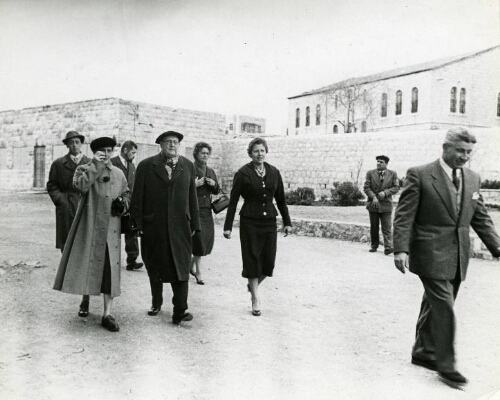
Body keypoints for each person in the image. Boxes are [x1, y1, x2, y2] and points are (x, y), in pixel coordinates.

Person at [393, 127, 500, 385]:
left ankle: (423, 352)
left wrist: (497, 247)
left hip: (458, 255)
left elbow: (480, 217)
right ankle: (446, 365)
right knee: (444, 307)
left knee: (434, 304)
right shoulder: (420, 174)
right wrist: (400, 249)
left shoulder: (473, 178)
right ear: (446, 147)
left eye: (468, 152)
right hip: (429, 252)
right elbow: (404, 215)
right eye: (460, 151)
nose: (464, 156)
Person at [53, 137, 130, 332]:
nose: (106, 153)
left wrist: (123, 202)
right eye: (101, 150)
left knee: (109, 270)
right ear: (94, 152)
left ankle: (107, 313)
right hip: (90, 225)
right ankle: (84, 300)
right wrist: (95, 164)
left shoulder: (119, 173)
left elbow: (127, 193)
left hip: (110, 228)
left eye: (109, 150)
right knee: (86, 262)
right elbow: (80, 186)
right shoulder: (84, 169)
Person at [130, 131, 200, 325]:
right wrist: (138, 225)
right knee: (155, 264)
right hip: (155, 226)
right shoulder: (146, 166)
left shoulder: (187, 165)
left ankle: (180, 310)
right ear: (159, 144)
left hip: (181, 226)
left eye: (175, 142)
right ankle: (156, 302)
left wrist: (195, 224)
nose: (172, 145)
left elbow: (191, 197)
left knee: (182, 265)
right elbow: (137, 198)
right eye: (168, 142)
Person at [223, 137, 292, 316]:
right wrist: (228, 226)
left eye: (262, 150)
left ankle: (252, 285)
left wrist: (287, 222)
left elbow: (281, 199)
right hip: (249, 221)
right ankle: (255, 298)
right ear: (250, 153)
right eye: (256, 151)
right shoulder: (242, 173)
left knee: (268, 262)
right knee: (252, 258)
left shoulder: (274, 172)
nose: (259, 154)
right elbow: (233, 201)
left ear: (266, 152)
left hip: (269, 220)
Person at [47, 130, 92, 317]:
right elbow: (52, 185)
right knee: (67, 249)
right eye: (71, 142)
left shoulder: (90, 163)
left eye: (77, 142)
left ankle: (85, 299)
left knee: (85, 252)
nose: (74, 145)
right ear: (66, 145)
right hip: (66, 211)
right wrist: (61, 201)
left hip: (84, 208)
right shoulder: (58, 164)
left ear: (81, 144)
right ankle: (69, 282)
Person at [110, 140, 143, 271]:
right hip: (115, 204)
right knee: (114, 232)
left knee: (132, 231)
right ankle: (112, 260)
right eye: (132, 152)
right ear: (125, 150)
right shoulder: (112, 163)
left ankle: (132, 260)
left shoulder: (133, 167)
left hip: (129, 205)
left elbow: (133, 186)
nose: (134, 155)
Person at [190, 142, 219, 285]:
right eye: (203, 153)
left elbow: (216, 190)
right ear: (196, 154)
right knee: (199, 239)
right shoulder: (190, 168)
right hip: (194, 209)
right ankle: (198, 272)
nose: (205, 155)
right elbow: (182, 188)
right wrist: (194, 185)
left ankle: (191, 266)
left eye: (207, 153)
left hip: (207, 210)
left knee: (206, 238)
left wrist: (214, 185)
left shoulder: (210, 171)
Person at [363, 155, 399, 255]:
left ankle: (388, 247)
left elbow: (396, 187)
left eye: (381, 162)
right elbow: (366, 187)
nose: (378, 163)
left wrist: (386, 192)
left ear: (386, 164)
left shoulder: (393, 174)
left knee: (387, 227)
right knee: (374, 227)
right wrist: (373, 197)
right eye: (378, 161)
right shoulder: (370, 173)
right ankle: (374, 245)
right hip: (373, 205)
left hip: (386, 205)